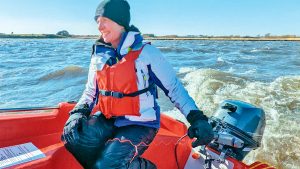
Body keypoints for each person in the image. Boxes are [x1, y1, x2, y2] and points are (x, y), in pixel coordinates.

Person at [62, 0, 214, 168]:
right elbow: (90, 91)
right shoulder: (99, 54)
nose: (100, 27)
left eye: (104, 20)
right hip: (108, 118)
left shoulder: (147, 53)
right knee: (72, 137)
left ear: (120, 22)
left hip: (141, 123)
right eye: (97, 22)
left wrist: (197, 119)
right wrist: (77, 113)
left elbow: (174, 88)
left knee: (106, 166)